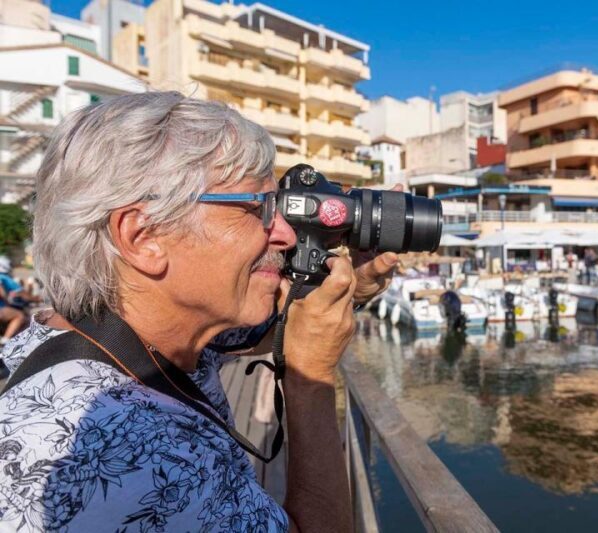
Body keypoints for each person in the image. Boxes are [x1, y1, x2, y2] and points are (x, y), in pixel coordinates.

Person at [0, 92, 397, 532]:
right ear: (143, 235)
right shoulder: (137, 458)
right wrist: (311, 376)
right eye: (258, 208)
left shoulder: (121, 336)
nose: (285, 234)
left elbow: (258, 333)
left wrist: (351, 291)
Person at [0, 257, 34, 345]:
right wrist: (7, 299)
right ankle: (5, 341)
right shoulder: (4, 277)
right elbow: (25, 294)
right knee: (19, 315)